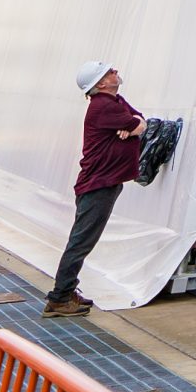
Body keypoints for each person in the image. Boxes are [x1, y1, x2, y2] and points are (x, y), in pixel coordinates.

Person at [46, 60, 142, 317]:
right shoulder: (102, 106)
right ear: (100, 84)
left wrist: (132, 126)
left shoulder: (115, 102)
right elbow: (139, 126)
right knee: (81, 241)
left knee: (83, 240)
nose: (116, 72)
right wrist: (131, 127)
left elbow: (140, 121)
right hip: (98, 185)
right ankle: (59, 298)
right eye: (110, 72)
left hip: (104, 183)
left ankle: (66, 292)